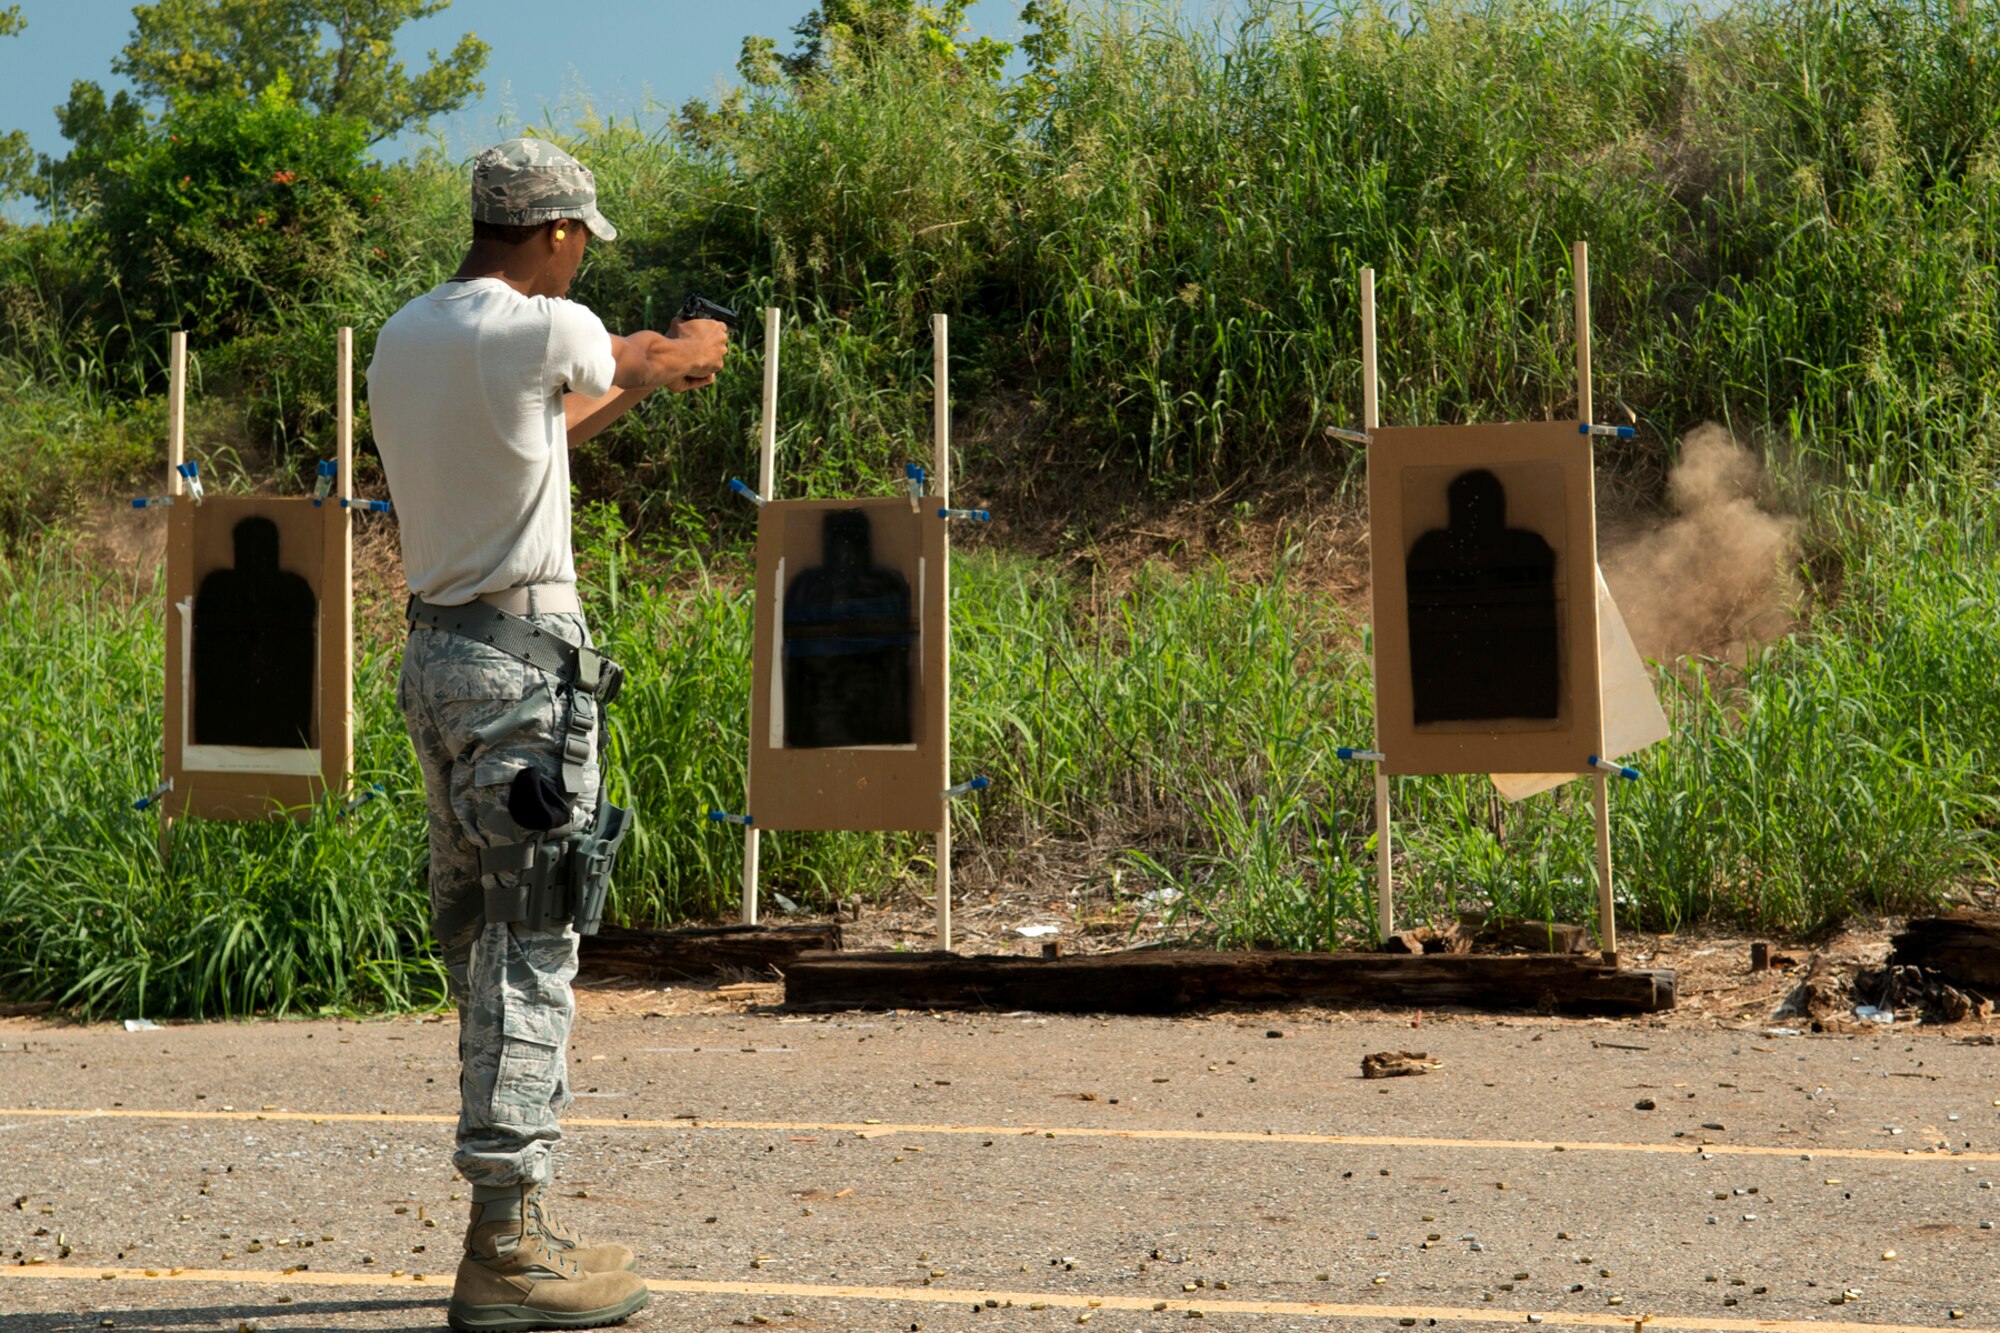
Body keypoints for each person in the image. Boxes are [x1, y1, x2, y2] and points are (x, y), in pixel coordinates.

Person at [367, 137, 728, 1332]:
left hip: (441, 660)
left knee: (485, 940)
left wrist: (638, 380)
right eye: (578, 247)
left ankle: (510, 1218)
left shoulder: (409, 334)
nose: (577, 265)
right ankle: (506, 1247)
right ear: (558, 234)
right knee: (533, 944)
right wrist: (689, 351)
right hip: (525, 679)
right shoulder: (536, 325)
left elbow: (546, 441)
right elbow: (622, 353)